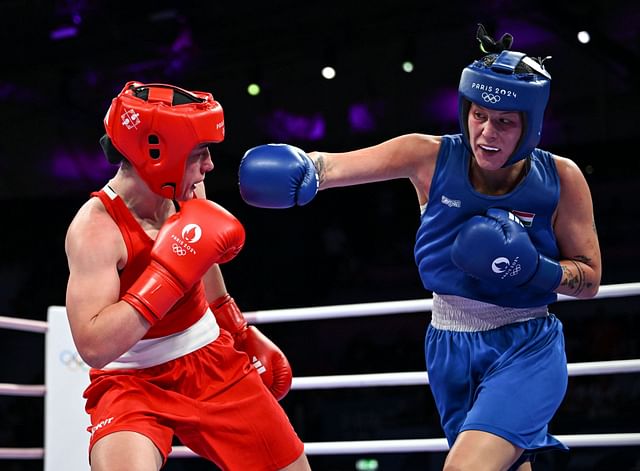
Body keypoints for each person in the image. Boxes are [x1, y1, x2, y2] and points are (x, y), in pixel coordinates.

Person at [237, 24, 602, 471]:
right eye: (478, 116)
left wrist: (531, 269)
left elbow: (589, 279)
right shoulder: (427, 156)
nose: (487, 133)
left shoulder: (561, 179)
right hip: (449, 344)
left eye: (505, 122)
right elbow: (328, 167)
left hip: (527, 345)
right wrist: (301, 172)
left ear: (530, 127)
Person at [64, 81, 311, 471]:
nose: (210, 164)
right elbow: (94, 345)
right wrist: (168, 276)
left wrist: (238, 329)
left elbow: (203, 257)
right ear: (158, 154)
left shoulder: (185, 187)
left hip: (210, 362)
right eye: (200, 152)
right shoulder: (96, 229)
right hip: (131, 382)